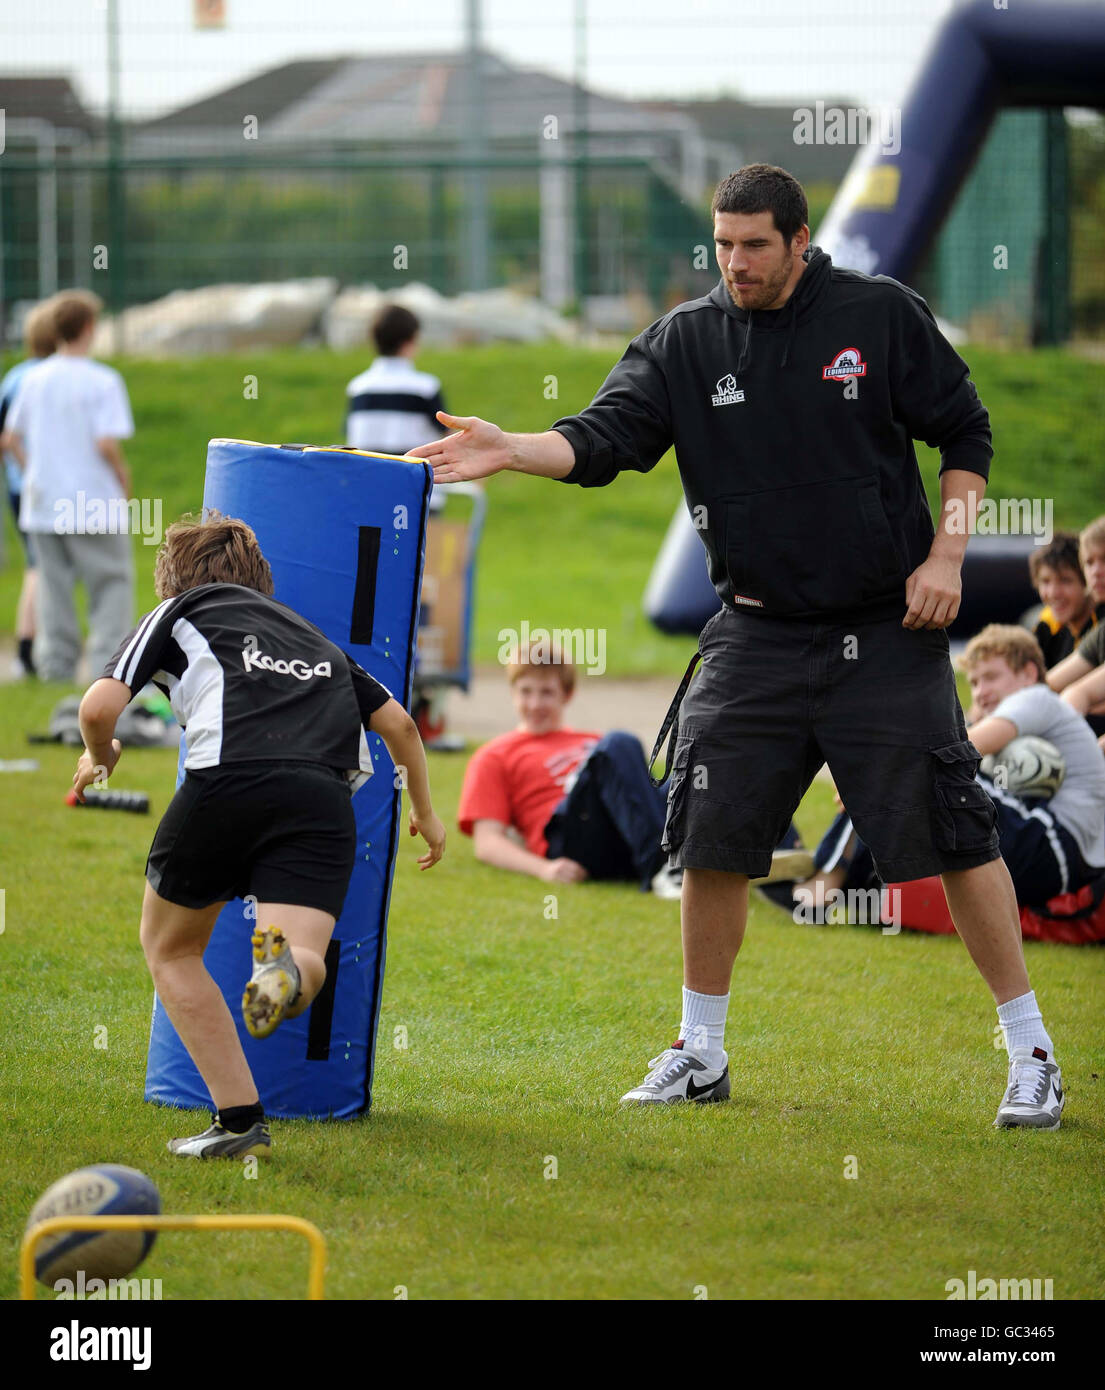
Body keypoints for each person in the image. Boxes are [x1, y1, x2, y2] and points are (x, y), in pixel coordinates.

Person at [411, 163, 1065, 1130]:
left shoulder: (877, 315)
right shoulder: (686, 338)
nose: (736, 263)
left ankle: (1030, 1054)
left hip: (885, 627)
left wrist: (947, 555)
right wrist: (513, 447)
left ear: (800, 241)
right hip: (754, 631)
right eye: (722, 245)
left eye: (755, 244)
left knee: (958, 834)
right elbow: (601, 440)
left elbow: (964, 430)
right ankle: (700, 1052)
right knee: (710, 836)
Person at [71, 512, 446, 1159]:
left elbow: (98, 708)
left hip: (229, 780)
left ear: (173, 583)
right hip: (324, 801)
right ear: (261, 585)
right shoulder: (314, 640)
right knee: (304, 956)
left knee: (172, 951)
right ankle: (284, 976)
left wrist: (99, 755)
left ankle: (240, 1122)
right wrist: (426, 813)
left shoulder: (178, 611)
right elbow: (402, 728)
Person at [798, 625, 1105, 913]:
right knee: (918, 776)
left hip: (1056, 850)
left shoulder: (1037, 698)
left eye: (991, 677)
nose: (981, 691)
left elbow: (954, 754)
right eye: (974, 682)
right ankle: (845, 875)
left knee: (935, 772)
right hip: (1054, 858)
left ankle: (829, 875)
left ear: (1028, 673)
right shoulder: (1024, 717)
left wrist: (872, 776)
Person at [5, 290, 135, 682]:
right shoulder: (103, 380)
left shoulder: (33, 378)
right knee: (111, 584)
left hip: (43, 499)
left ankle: (55, 667)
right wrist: (123, 477)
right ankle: (106, 671)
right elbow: (105, 443)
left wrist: (32, 473)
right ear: (90, 328)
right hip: (91, 497)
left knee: (53, 587)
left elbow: (10, 439)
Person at [0, 300, 57, 677]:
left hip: (20, 487)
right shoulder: (53, 378)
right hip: (48, 489)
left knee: (39, 566)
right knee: (45, 568)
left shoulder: (14, 377)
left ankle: (30, 647)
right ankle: (32, 648)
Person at [346, 305, 448, 461]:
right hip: (413, 476)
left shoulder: (357, 388)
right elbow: (446, 434)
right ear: (410, 341)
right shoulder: (425, 387)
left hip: (367, 475)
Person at [1045, 516, 1105, 743]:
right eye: (1089, 563)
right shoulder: (1100, 633)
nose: (1096, 571)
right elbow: (1043, 687)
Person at [1027, 531, 1105, 671]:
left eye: (1065, 581)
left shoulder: (1101, 623)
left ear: (1087, 581)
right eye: (1045, 581)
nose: (1053, 593)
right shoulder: (1047, 626)